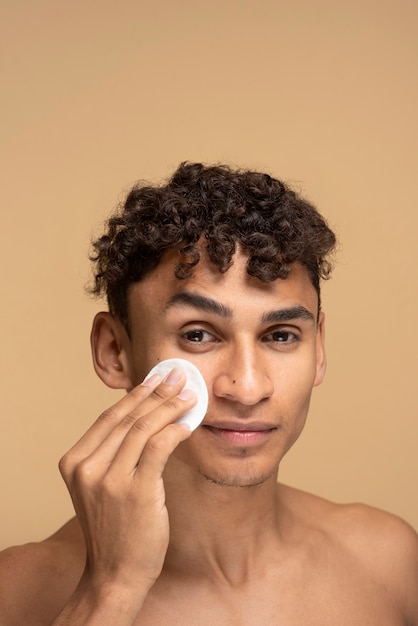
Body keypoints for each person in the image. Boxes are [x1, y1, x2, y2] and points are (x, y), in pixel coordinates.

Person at [0, 162, 417, 625]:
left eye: (280, 336)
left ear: (318, 348)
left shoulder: (390, 561)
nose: (247, 387)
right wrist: (111, 590)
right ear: (115, 350)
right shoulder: (18, 592)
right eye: (199, 335)